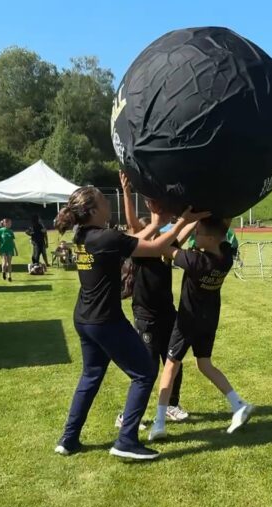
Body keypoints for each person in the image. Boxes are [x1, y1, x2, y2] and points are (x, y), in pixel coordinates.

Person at [54, 185, 208, 461]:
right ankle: (126, 440)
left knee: (90, 376)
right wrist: (184, 220)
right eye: (103, 201)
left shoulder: (83, 236)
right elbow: (157, 247)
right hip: (106, 320)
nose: (107, 205)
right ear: (93, 210)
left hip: (84, 319)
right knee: (145, 373)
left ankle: (68, 438)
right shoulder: (106, 237)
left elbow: (133, 239)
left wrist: (159, 223)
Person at [148, 216, 253, 441]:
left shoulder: (194, 260)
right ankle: (238, 404)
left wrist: (187, 218)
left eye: (199, 232)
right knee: (204, 364)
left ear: (211, 238)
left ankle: (159, 422)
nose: (195, 235)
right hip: (209, 319)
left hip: (188, 321)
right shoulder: (225, 256)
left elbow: (163, 248)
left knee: (170, 366)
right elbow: (223, 226)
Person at [119, 174, 191, 427]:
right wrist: (127, 193)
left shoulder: (165, 242)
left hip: (167, 313)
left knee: (173, 361)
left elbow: (181, 230)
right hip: (145, 315)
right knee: (146, 367)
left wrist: (196, 216)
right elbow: (131, 225)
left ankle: (172, 405)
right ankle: (127, 414)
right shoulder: (138, 247)